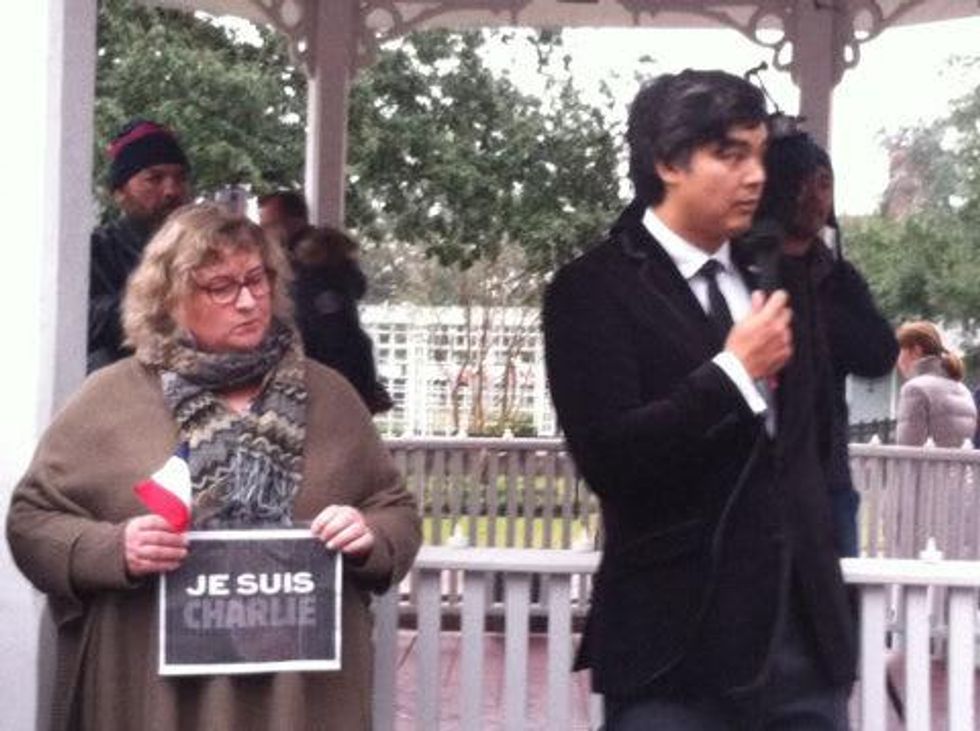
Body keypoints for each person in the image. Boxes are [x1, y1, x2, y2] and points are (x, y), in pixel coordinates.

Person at [8, 203, 421, 730]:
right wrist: (114, 549)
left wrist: (369, 534)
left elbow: (396, 512)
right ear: (171, 299)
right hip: (153, 697)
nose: (248, 301)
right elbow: (31, 523)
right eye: (220, 287)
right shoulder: (108, 399)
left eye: (257, 279)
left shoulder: (331, 396)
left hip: (297, 701)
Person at [543, 70, 855, 729]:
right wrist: (733, 375)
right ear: (666, 162)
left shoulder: (780, 274)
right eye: (730, 154)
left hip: (802, 644)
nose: (756, 176)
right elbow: (612, 459)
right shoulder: (592, 290)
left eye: (760, 153)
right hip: (675, 649)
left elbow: (811, 447)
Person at [755, 131, 897, 557]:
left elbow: (879, 355)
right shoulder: (744, 270)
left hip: (826, 476)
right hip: (756, 478)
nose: (815, 198)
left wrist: (817, 306)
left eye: (824, 184)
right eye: (802, 183)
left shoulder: (838, 277)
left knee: (836, 608)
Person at [259, 191, 392, 414]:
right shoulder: (314, 263)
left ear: (295, 221)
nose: (265, 234)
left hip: (324, 382)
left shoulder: (314, 266)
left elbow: (331, 333)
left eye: (270, 225)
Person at [88, 119, 191, 372]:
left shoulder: (207, 247)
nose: (171, 190)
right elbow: (82, 320)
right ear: (120, 192)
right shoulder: (95, 250)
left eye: (179, 178)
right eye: (154, 179)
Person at [895, 320, 976, 447]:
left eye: (899, 352)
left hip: (926, 467)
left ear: (916, 350)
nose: (897, 361)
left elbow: (908, 450)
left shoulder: (914, 389)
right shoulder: (962, 388)